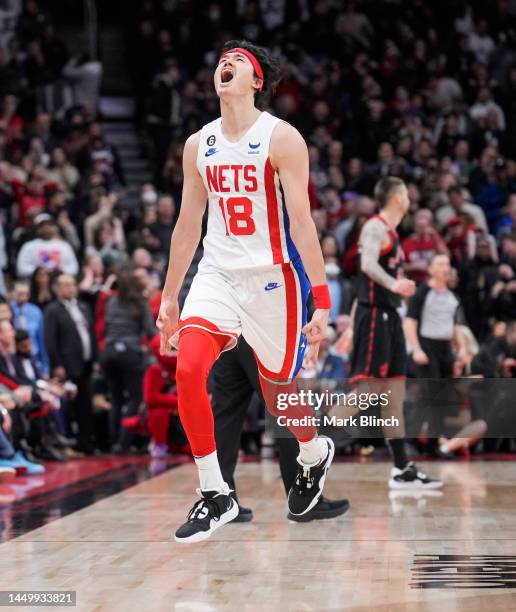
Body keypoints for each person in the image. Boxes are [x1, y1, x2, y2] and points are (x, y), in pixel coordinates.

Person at [157, 40, 336, 543]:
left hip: (273, 279)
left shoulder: (282, 138)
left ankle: (313, 451)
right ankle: (216, 493)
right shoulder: (199, 144)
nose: (225, 65)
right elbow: (188, 223)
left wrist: (321, 300)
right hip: (217, 274)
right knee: (189, 367)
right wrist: (170, 296)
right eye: (220, 61)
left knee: (280, 397)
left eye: (238, 62)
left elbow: (301, 223)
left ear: (257, 81)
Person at [348, 177, 442, 489]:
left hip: (389, 316)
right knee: (369, 390)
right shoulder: (375, 226)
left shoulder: (393, 232)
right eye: (406, 191)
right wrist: (394, 285)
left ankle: (402, 468)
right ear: (397, 196)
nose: (410, 196)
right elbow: (366, 265)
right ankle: (310, 441)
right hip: (375, 316)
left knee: (394, 396)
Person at [211, 336, 350, 522]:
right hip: (260, 332)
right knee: (287, 409)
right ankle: (303, 499)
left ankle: (220, 501)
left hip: (226, 334)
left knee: (225, 418)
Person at [404, 254, 466, 455]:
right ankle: (411, 441)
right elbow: (410, 322)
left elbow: (455, 326)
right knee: (429, 396)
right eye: (440, 264)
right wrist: (416, 349)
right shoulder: (422, 293)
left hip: (445, 350)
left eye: (447, 264)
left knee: (444, 398)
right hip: (426, 347)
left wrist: (462, 349)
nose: (445, 268)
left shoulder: (453, 297)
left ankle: (433, 443)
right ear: (431, 269)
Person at [100, 265, 157, 452]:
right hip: (130, 353)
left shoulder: (111, 302)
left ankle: (113, 441)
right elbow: (150, 332)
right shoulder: (139, 303)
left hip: (108, 352)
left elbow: (106, 326)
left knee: (116, 398)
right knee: (135, 397)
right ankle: (124, 443)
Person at [44, 275, 97, 454]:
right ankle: (67, 444)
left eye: (72, 284)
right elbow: (50, 341)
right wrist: (57, 364)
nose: (70, 288)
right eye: (65, 285)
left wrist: (95, 357)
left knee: (85, 405)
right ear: (57, 289)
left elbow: (91, 332)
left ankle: (86, 444)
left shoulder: (83, 306)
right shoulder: (52, 310)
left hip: (86, 362)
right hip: (67, 365)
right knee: (68, 406)